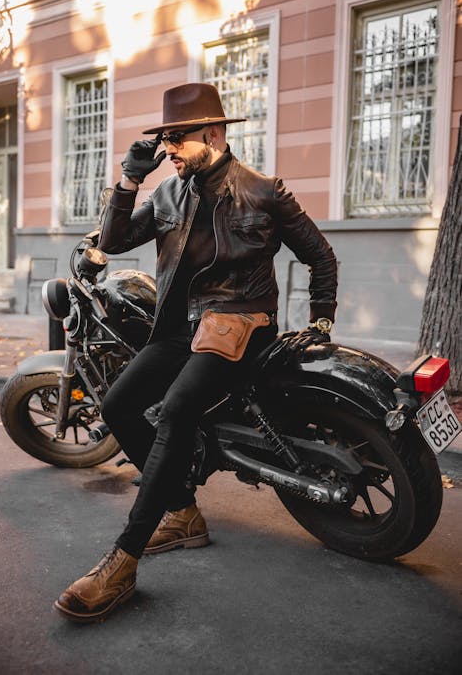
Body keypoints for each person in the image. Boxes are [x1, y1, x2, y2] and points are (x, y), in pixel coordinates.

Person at [54, 82, 337, 622]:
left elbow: (321, 256)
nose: (170, 148)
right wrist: (129, 180)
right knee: (116, 406)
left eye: (177, 137)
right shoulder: (166, 193)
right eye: (164, 139)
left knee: (176, 410)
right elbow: (111, 242)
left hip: (239, 322)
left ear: (212, 133)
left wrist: (321, 319)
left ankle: (123, 560)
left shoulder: (262, 191)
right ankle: (182, 512)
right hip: (180, 328)